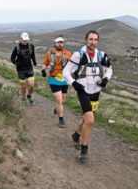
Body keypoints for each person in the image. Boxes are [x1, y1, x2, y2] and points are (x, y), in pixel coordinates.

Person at [63, 30, 112, 162]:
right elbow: (66, 71)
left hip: (96, 90)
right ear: (86, 40)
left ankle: (76, 135)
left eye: (95, 39)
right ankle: (84, 150)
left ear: (98, 41)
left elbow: (109, 69)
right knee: (90, 120)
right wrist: (73, 83)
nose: (93, 42)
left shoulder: (101, 55)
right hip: (82, 89)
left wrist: (105, 79)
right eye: (91, 39)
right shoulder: (78, 55)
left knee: (86, 119)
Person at [41, 36, 71, 128]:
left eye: (61, 42)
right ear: (54, 44)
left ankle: (57, 108)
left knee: (63, 100)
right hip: (53, 78)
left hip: (64, 79)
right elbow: (45, 64)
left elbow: (72, 65)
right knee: (59, 99)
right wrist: (43, 70)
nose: (60, 44)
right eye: (58, 42)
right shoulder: (49, 54)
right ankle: (61, 119)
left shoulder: (68, 54)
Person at [11, 32, 37, 105]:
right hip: (20, 70)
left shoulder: (31, 46)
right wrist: (16, 63)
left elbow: (33, 55)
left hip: (29, 68)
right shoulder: (17, 48)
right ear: (20, 39)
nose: (25, 41)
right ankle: (23, 99)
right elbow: (12, 58)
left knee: (32, 85)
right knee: (23, 86)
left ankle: (29, 96)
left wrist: (34, 62)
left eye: (27, 40)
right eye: (24, 40)